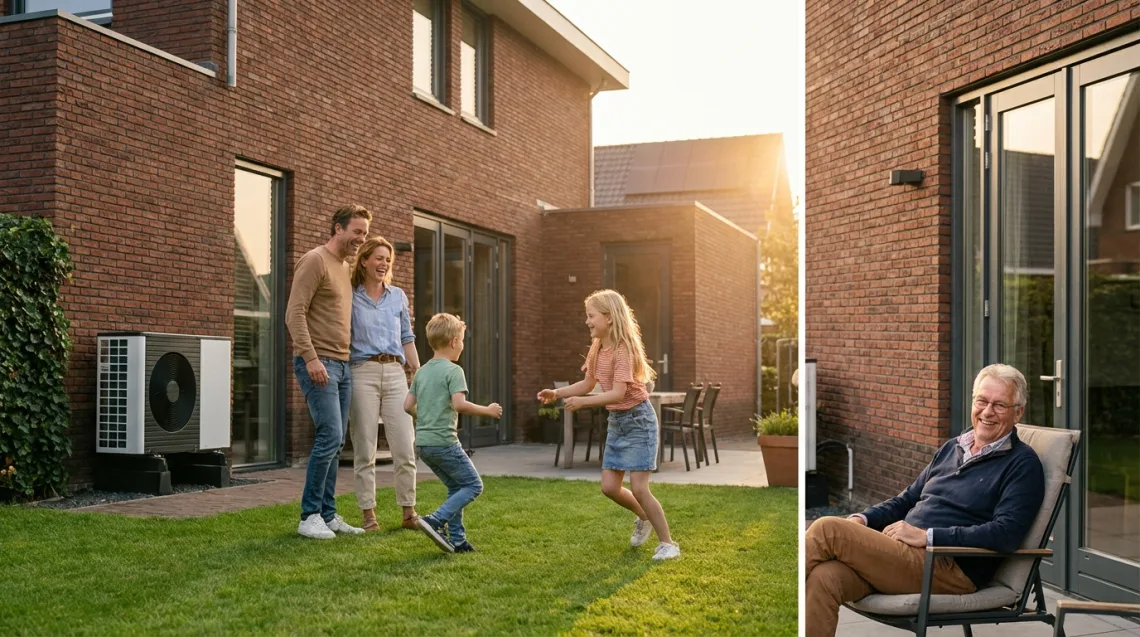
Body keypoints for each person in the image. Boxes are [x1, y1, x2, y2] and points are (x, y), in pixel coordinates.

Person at [804, 363, 1045, 637]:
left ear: (1018, 412)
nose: (987, 411)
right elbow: (907, 499)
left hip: (947, 568)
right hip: (901, 555)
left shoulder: (1022, 464)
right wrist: (864, 518)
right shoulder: (953, 447)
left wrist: (929, 536)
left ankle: (771, 594)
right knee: (825, 577)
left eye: (999, 405)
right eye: (982, 401)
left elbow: (1006, 533)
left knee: (828, 529)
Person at [537, 289, 680, 561]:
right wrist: (557, 393)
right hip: (617, 421)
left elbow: (617, 393)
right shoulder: (597, 347)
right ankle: (644, 517)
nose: (587, 321)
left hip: (638, 421)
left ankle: (668, 544)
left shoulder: (623, 350)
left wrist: (583, 403)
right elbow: (588, 383)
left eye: (591, 316)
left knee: (639, 488)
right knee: (609, 488)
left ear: (609, 317)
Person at [285, 204, 372, 540]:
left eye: (365, 233)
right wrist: (310, 358)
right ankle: (309, 516)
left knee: (336, 443)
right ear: (338, 228)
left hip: (342, 364)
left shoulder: (345, 267)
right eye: (357, 231)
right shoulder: (315, 260)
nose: (361, 238)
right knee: (330, 436)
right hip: (319, 363)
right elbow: (294, 313)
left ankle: (328, 514)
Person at [403, 313, 502, 553]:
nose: (462, 345)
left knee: (456, 488)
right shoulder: (453, 370)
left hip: (424, 444)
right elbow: (459, 404)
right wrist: (488, 411)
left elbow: (407, 406)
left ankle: (458, 541)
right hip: (445, 442)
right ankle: (435, 520)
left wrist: (425, 417)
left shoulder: (422, 372)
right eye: (463, 340)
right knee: (473, 485)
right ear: (454, 341)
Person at [347, 236, 420, 532]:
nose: (384, 264)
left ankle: (408, 512)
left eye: (388, 260)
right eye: (378, 258)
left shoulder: (397, 296)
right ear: (364, 260)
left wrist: (418, 372)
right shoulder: (350, 296)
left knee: (404, 445)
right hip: (361, 371)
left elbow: (407, 337)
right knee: (365, 447)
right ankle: (368, 515)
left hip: (394, 372)